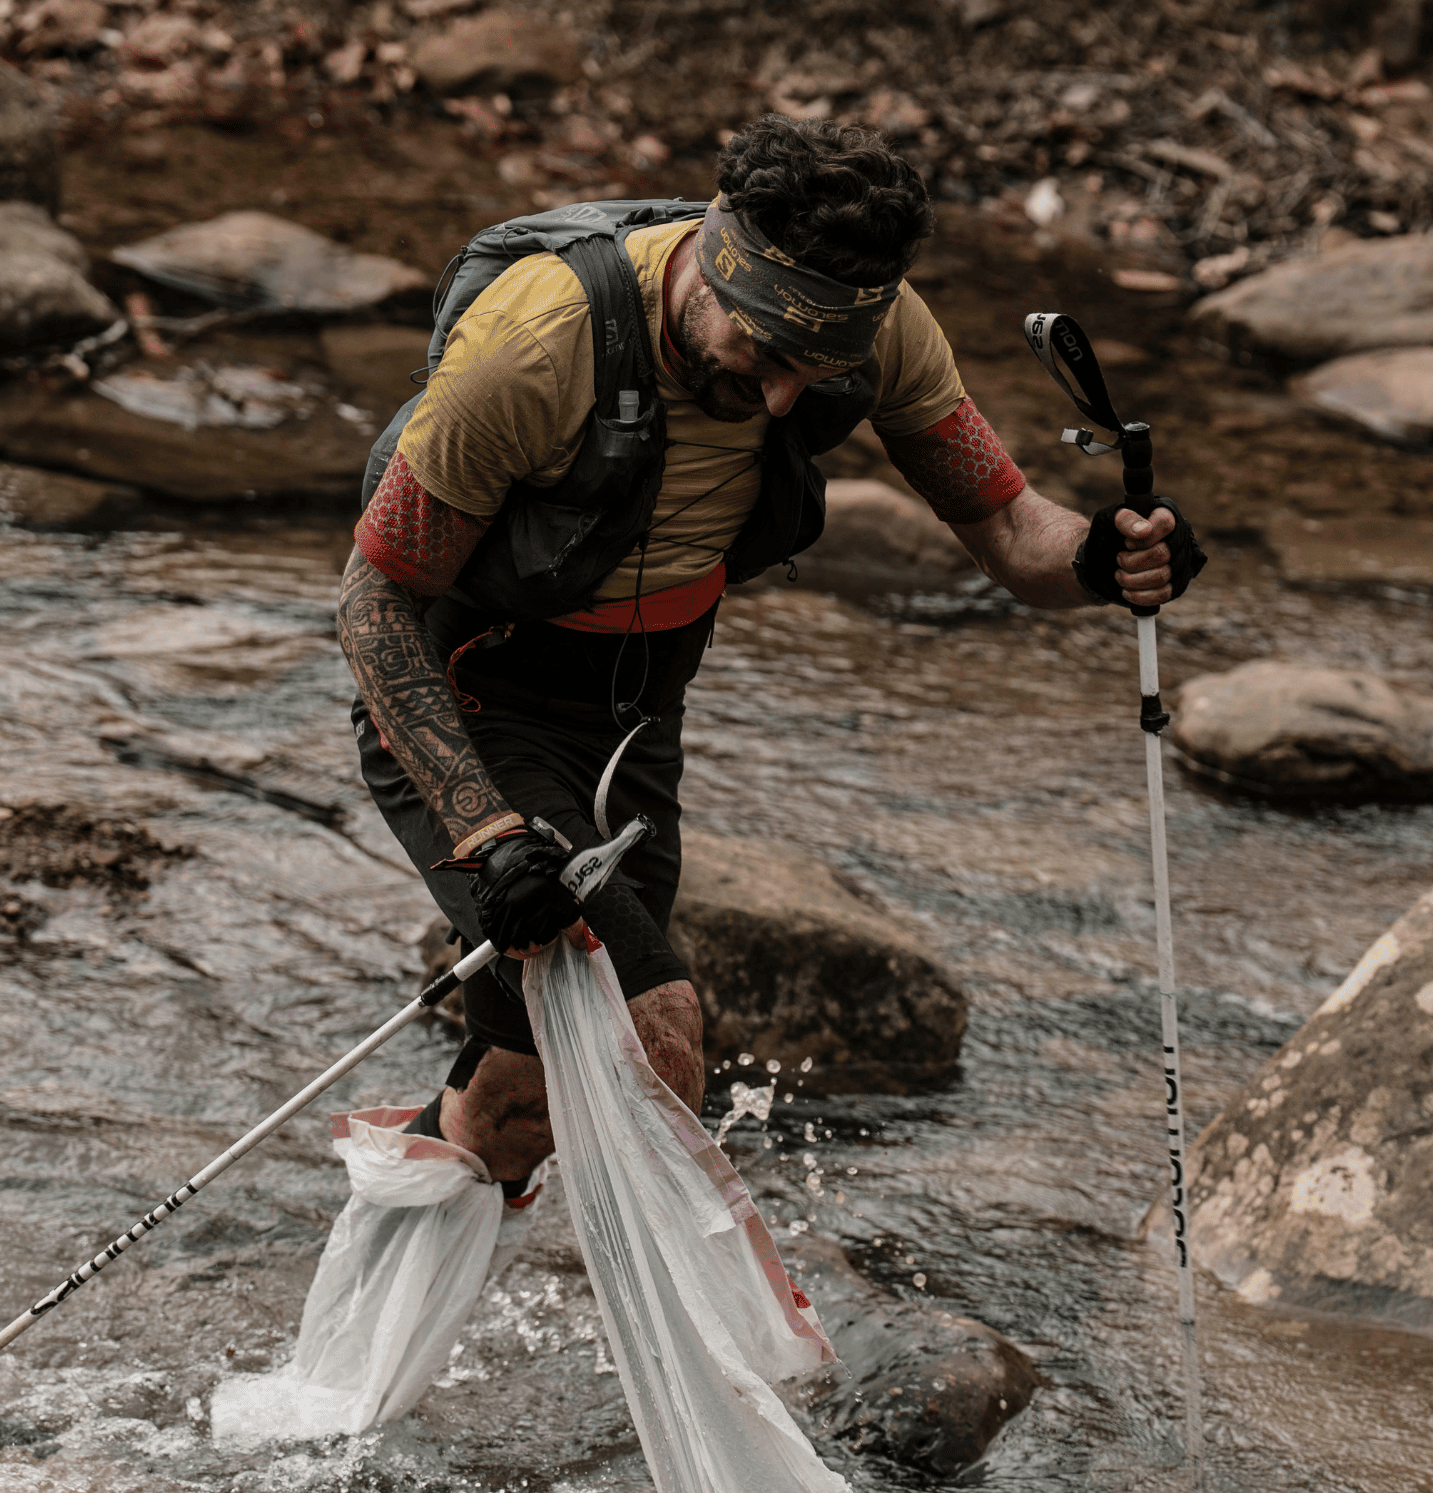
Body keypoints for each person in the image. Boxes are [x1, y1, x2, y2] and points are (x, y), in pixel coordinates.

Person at [341, 114, 1199, 1200]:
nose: (786, 397)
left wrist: (1104, 557)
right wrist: (488, 835)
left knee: (523, 1097)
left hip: (637, 713)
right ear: (709, 263)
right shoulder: (537, 344)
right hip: (474, 694)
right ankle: (711, 1307)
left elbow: (1012, 531)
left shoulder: (882, 325)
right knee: (651, 1033)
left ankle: (370, 1292)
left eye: (820, 369)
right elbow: (376, 604)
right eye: (767, 352)